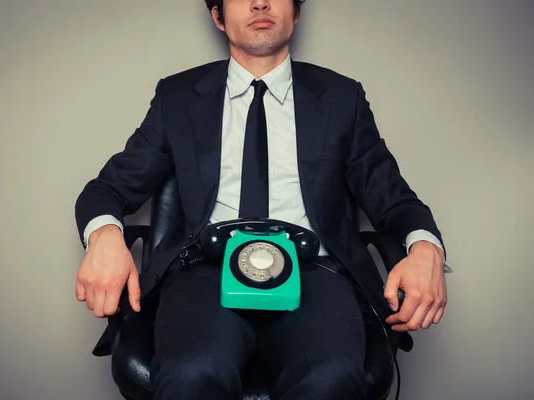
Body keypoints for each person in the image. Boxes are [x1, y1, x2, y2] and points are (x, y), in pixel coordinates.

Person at [74, 1, 450, 398]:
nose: (259, 2)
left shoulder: (342, 98)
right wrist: (104, 238)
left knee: (330, 378)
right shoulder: (178, 96)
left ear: (297, 12)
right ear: (218, 16)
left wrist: (426, 247)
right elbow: (107, 189)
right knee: (192, 372)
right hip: (204, 272)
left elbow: (393, 198)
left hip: (316, 273)